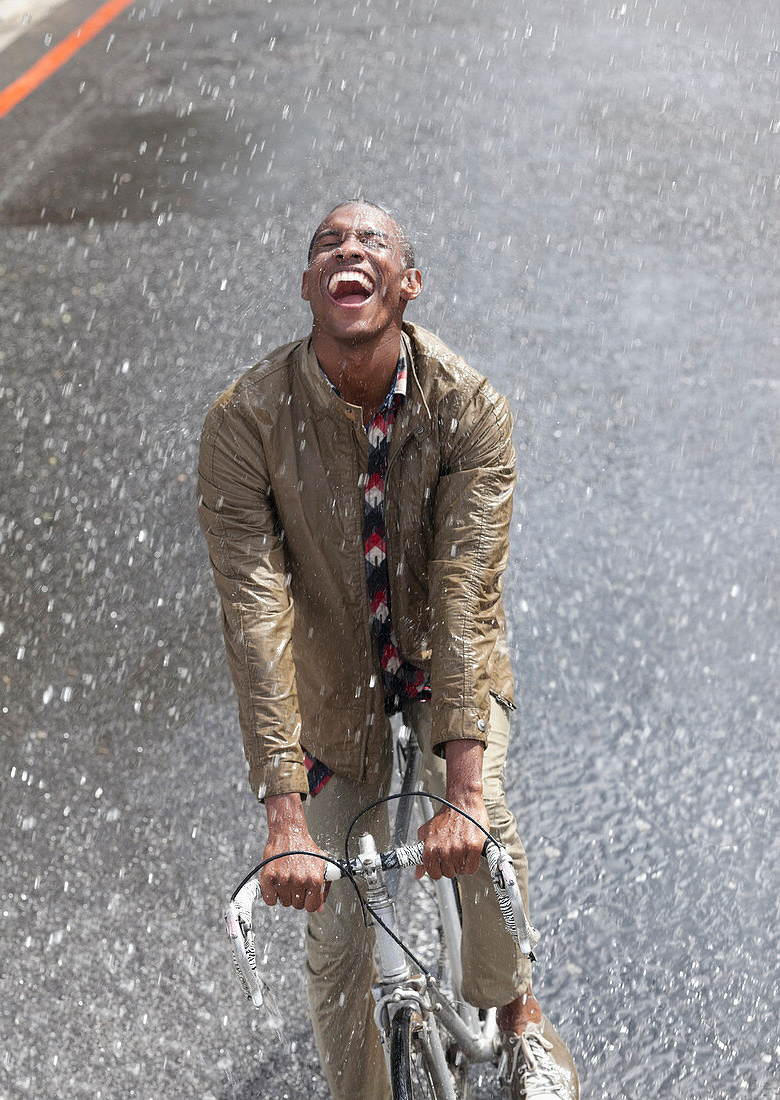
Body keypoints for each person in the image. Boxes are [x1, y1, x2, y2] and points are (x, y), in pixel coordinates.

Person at [197, 199, 579, 1100]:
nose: (349, 249)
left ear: (407, 286)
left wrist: (464, 792)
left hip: (448, 652)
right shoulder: (245, 422)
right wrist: (284, 817)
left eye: (372, 242)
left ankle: (517, 1010)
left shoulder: (470, 407)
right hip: (329, 681)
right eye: (329, 242)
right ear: (307, 288)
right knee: (334, 929)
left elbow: (465, 591)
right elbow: (255, 618)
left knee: (486, 839)